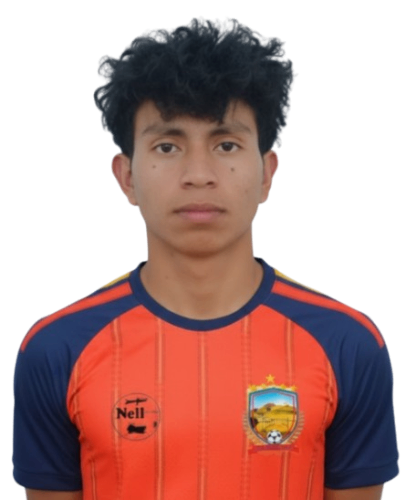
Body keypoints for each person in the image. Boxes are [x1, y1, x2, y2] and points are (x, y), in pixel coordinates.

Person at [12, 16, 399, 500]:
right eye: (168, 145)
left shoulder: (348, 343)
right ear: (126, 177)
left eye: (226, 144)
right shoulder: (56, 349)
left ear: (267, 173)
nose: (198, 173)